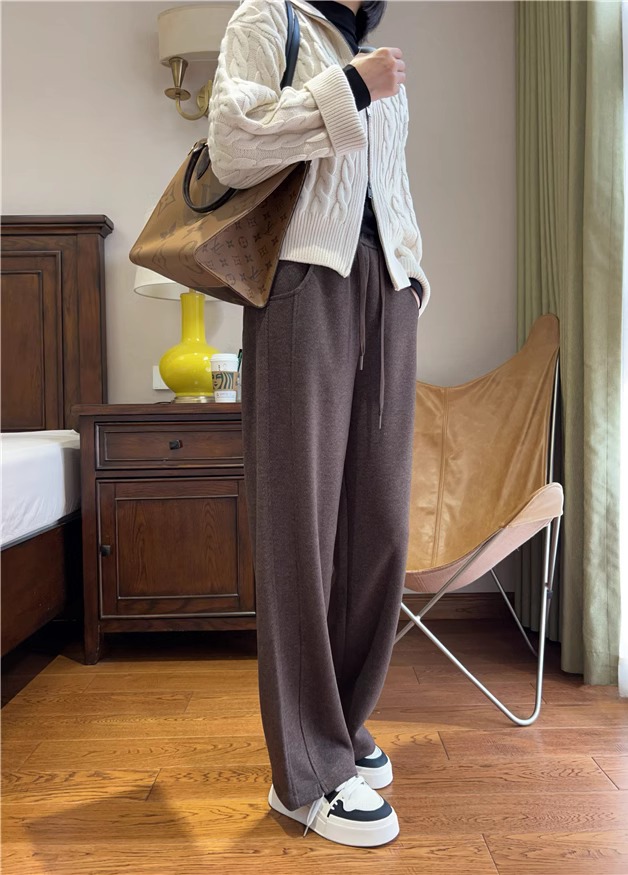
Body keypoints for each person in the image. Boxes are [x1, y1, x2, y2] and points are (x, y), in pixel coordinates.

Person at [208, 0, 430, 848]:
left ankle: (338, 719)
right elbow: (232, 146)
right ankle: (303, 771)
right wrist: (349, 89)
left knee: (380, 524)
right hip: (303, 283)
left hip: (389, 290)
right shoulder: (268, 19)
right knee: (299, 526)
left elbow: (388, 184)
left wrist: (412, 276)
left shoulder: (375, 50)